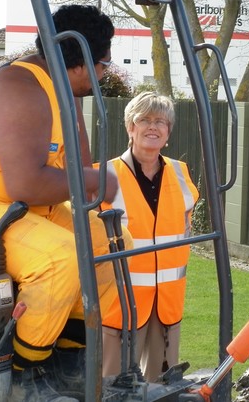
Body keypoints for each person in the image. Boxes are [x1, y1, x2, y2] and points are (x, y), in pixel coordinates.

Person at [0, 5, 130, 402]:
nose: (104, 73)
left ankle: (71, 366)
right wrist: (95, 180)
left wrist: (92, 178)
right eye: (103, 63)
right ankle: (25, 377)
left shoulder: (61, 93)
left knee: (110, 246)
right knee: (60, 258)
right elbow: (28, 184)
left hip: (16, 206)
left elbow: (79, 172)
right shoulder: (20, 88)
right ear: (82, 58)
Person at [99, 91, 199, 382]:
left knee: (161, 387)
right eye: (144, 120)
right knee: (113, 387)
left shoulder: (182, 174)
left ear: (168, 132)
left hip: (167, 304)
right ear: (130, 127)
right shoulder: (104, 176)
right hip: (120, 304)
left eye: (161, 121)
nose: (153, 127)